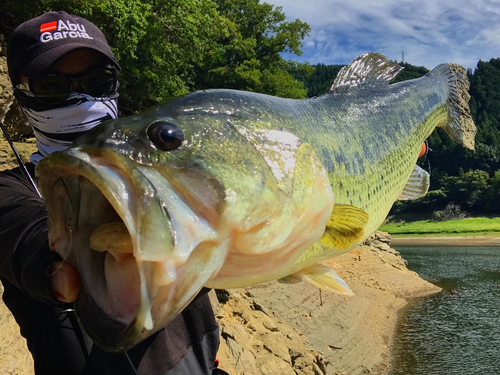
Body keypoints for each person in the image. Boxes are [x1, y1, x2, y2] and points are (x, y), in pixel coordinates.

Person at [0, 11, 222, 375]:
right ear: (22, 95)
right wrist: (58, 259)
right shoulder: (9, 190)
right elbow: (25, 236)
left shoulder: (164, 165)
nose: (80, 97)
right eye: (52, 86)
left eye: (97, 81)